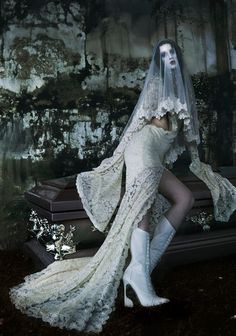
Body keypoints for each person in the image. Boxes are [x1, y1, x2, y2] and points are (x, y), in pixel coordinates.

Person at [9, 39, 236, 333]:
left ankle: (137, 272)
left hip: (154, 156)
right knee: (142, 209)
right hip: (141, 152)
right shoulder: (159, 88)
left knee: (184, 198)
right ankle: (141, 283)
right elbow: (145, 124)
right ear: (158, 61)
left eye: (173, 57)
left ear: (178, 60)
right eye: (164, 56)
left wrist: (198, 160)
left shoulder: (181, 91)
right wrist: (119, 160)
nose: (169, 61)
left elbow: (183, 133)